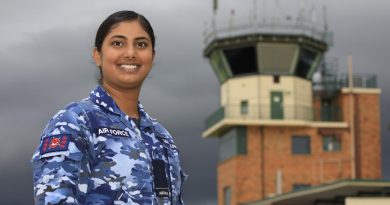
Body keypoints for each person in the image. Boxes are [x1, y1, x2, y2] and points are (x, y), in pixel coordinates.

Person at [31, 10, 187, 205]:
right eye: (117, 43)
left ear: (152, 57)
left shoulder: (162, 138)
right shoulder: (76, 122)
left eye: (141, 44)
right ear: (97, 55)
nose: (130, 53)